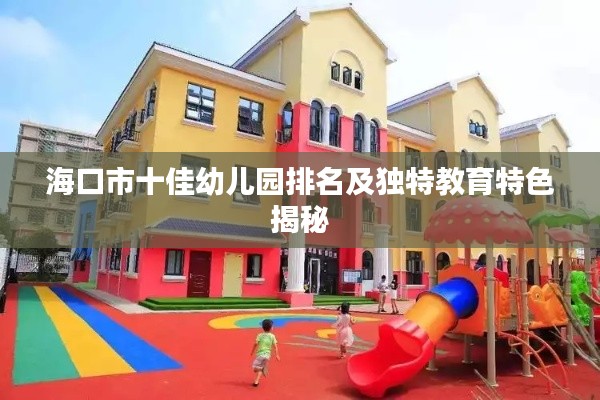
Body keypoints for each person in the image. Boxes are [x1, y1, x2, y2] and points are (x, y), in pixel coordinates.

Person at [250, 319, 280, 387]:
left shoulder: (260, 335)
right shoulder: (272, 336)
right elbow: (275, 346)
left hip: (260, 355)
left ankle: (262, 368)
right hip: (267, 356)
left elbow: (255, 344)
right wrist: (277, 355)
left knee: (254, 368)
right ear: (271, 328)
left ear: (262, 327)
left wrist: (252, 352)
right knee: (260, 367)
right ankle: (256, 382)